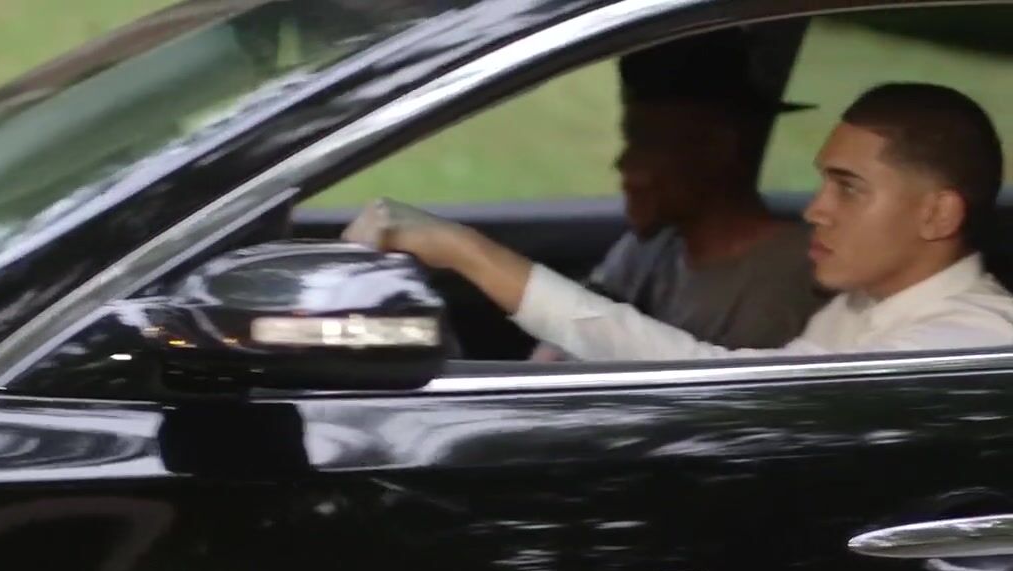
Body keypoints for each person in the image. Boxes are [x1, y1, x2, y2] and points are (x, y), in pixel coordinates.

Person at [342, 83, 1013, 360]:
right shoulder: (862, 311)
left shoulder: (962, 343)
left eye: (849, 188)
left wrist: (469, 252)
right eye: (822, 182)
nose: (815, 209)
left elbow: (735, 396)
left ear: (937, 213)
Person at [531, 31, 827, 360]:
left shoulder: (782, 281)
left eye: (644, 142)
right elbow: (569, 328)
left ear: (717, 149)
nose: (623, 163)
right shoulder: (651, 248)